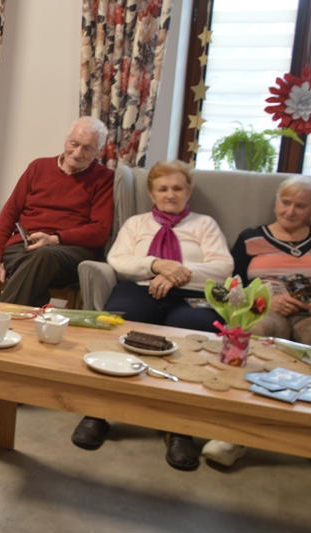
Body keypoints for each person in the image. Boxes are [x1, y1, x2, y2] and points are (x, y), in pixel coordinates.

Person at [71, 160, 233, 471]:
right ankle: (99, 412)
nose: (170, 194)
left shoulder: (204, 224)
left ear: (189, 192)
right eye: (163, 188)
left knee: (192, 333)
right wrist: (156, 265)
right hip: (140, 288)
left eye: (177, 188)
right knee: (121, 326)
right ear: (152, 193)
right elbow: (117, 260)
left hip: (192, 295)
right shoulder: (136, 224)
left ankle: (180, 428)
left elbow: (223, 267)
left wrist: (176, 274)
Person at [202, 175, 311, 467]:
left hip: (308, 314)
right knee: (251, 338)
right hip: (262, 310)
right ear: (276, 202)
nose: (290, 211)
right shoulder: (251, 237)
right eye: (285, 202)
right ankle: (233, 436)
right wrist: (263, 300)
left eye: (300, 206)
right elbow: (230, 285)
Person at [0, 117, 114, 307]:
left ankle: (0, 318)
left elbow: (99, 231)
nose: (77, 153)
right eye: (74, 144)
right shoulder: (38, 167)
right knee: (35, 267)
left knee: (44, 256)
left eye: (87, 148)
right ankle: (27, 320)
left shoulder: (104, 179)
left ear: (99, 151)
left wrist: (54, 239)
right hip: (22, 247)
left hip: (69, 252)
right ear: (66, 140)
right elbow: (10, 213)